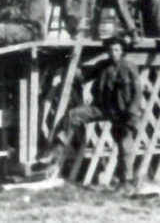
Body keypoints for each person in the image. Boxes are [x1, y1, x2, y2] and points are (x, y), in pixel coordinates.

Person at [46, 33, 143, 191]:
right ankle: (57, 149)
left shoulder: (129, 67)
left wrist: (131, 113)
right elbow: (83, 76)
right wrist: (69, 66)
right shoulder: (103, 65)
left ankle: (126, 181)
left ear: (122, 51)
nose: (114, 53)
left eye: (117, 50)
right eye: (111, 50)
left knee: (125, 145)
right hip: (102, 107)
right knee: (74, 115)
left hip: (122, 111)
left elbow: (137, 93)